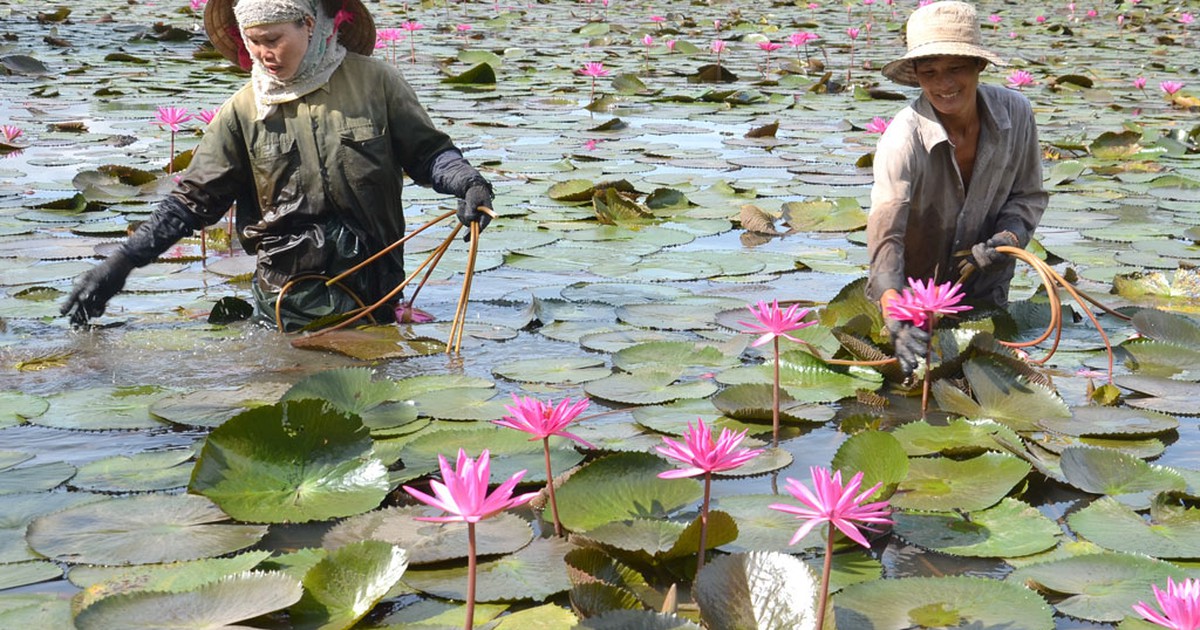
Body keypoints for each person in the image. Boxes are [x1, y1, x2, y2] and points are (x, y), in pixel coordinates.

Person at [61, 0, 494, 331]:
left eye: (273, 39)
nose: (264, 53)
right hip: (286, 301)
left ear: (309, 25)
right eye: (254, 41)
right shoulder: (241, 112)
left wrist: (467, 182)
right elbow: (190, 203)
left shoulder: (375, 82)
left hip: (375, 291)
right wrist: (120, 264)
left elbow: (429, 154)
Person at [866, 0, 1048, 374]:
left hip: (986, 290)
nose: (944, 85)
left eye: (956, 69)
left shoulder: (1017, 113)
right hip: (916, 297)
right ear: (916, 75)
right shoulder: (902, 140)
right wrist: (895, 313)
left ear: (979, 65)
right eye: (929, 72)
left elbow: (1027, 196)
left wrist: (1008, 238)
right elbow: (887, 237)